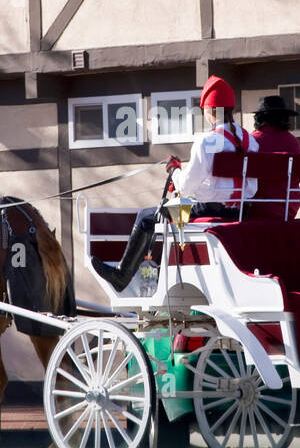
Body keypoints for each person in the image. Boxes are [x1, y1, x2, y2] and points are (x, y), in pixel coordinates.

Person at [91, 75, 257, 290]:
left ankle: (122, 276)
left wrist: (174, 170)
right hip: (241, 212)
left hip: (209, 211)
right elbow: (252, 188)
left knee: (145, 217)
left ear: (210, 111)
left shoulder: (206, 141)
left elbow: (186, 187)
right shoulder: (250, 141)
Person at [251, 94, 300, 220]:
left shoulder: (252, 141)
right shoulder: (293, 142)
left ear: (259, 118)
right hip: (288, 207)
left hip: (257, 208)